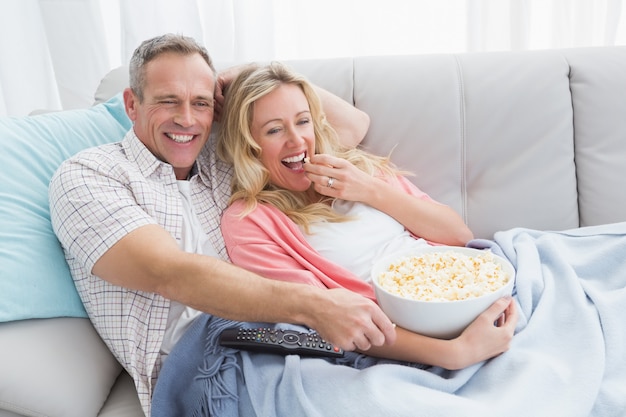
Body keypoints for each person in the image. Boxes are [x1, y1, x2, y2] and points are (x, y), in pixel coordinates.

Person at [48, 34, 397, 416]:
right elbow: (168, 272)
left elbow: (350, 127)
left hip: (283, 339)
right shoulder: (89, 175)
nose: (186, 119)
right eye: (168, 101)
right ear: (132, 104)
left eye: (200, 103)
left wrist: (249, 75)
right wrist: (318, 305)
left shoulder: (218, 158)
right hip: (205, 367)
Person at [217, 62, 518, 369]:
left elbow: (460, 236)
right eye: (274, 129)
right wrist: (455, 353)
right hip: (413, 334)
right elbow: (327, 314)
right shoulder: (249, 221)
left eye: (303, 121)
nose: (296, 140)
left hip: (475, 289)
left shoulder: (354, 168)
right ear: (249, 147)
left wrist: (368, 188)